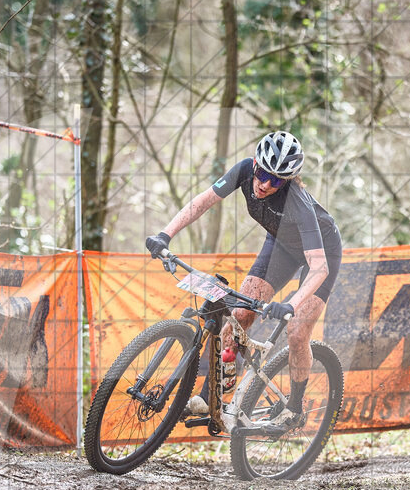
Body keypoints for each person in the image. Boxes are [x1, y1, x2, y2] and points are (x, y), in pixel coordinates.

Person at [145, 131, 342, 430]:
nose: (265, 184)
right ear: (255, 164)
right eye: (263, 173)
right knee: (239, 316)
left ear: (287, 181)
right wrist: (164, 235)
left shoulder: (297, 202)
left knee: (297, 330)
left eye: (276, 180)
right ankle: (211, 397)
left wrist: (290, 303)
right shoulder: (243, 170)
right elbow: (202, 202)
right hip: (281, 245)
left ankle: (294, 408)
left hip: (321, 252)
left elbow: (319, 268)